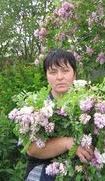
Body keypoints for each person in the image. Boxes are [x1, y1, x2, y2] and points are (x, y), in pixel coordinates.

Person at [25, 49, 94, 181]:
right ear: (46, 75)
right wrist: (68, 143)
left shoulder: (89, 106)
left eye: (65, 70)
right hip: (43, 175)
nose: (60, 77)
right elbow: (31, 149)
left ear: (75, 75)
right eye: (53, 72)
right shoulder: (35, 108)